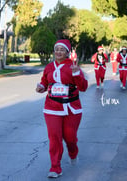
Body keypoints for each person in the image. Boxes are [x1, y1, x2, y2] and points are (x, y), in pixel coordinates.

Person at [36, 39, 88, 178]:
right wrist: (41, 87)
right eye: (56, 49)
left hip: (72, 108)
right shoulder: (49, 67)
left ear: (67, 52)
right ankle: (55, 167)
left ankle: (73, 153)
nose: (58, 52)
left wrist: (77, 74)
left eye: (62, 49)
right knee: (55, 138)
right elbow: (44, 82)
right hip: (52, 107)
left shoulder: (73, 66)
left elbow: (83, 87)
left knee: (70, 138)